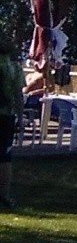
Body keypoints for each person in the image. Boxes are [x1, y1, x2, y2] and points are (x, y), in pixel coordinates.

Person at [0, 42, 26, 208]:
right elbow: (18, 95)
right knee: (4, 157)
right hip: (5, 116)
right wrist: (21, 118)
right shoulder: (15, 68)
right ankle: (4, 195)